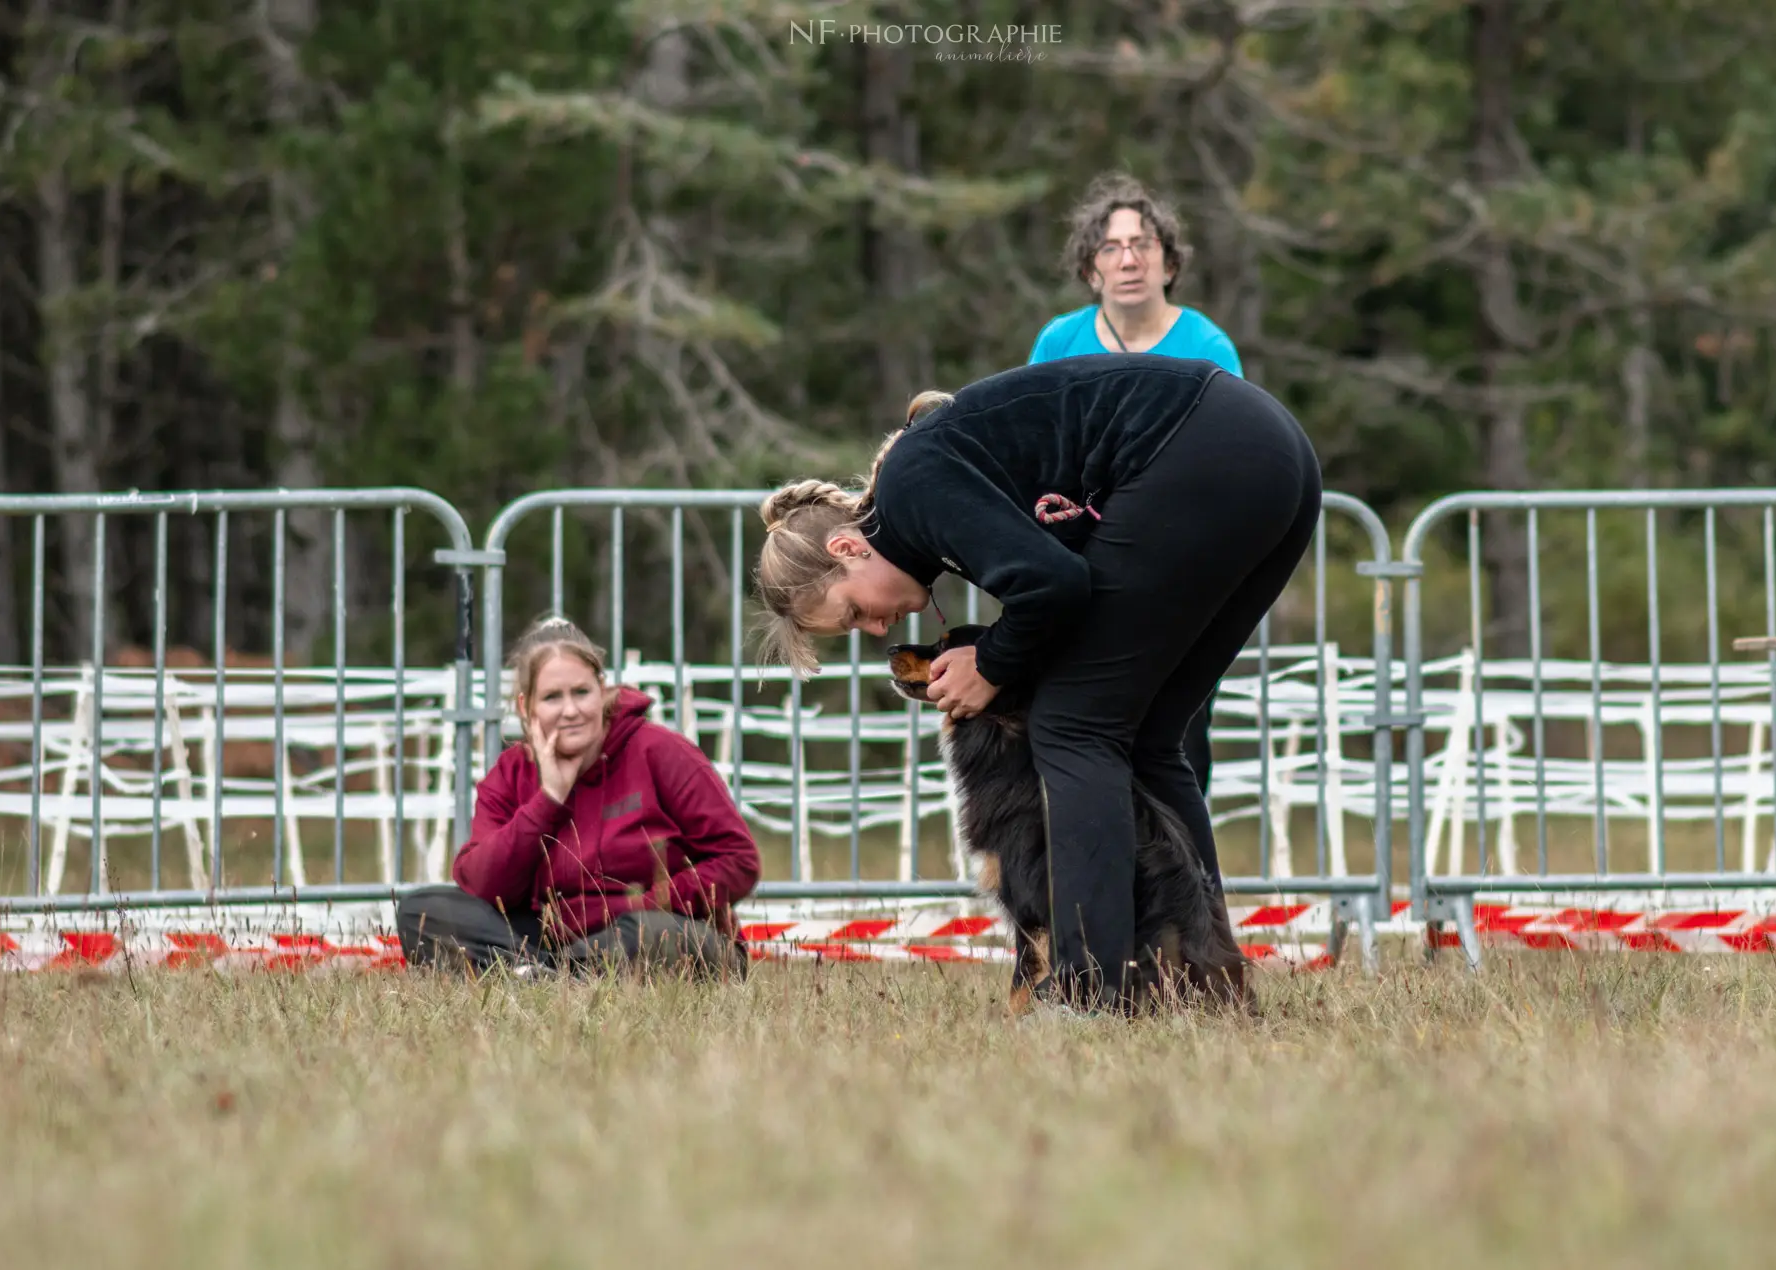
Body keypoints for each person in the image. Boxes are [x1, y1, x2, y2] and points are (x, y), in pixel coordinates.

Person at [753, 354, 1322, 1012]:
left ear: (847, 550)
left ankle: (1086, 991)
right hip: (1268, 450)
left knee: (1072, 726)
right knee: (1151, 736)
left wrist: (991, 662)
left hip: (1204, 450)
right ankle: (1200, 978)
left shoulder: (914, 486)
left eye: (854, 612)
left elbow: (1054, 586)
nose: (877, 629)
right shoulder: (925, 497)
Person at [1027, 172, 1244, 805]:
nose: (1129, 259)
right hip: (1082, 558)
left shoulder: (1206, 344)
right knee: (1081, 717)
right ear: (1090, 269)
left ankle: (1185, 875)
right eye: (1112, 247)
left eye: (1143, 244)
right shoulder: (1058, 341)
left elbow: (1229, 455)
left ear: (1169, 263)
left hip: (1180, 557)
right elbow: (1036, 441)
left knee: (1177, 725)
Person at [395, 616, 761, 981]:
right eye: (553, 697)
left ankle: (539, 976)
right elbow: (483, 885)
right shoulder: (510, 774)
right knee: (421, 912)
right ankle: (556, 976)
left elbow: (739, 859)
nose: (571, 711)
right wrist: (548, 800)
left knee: (655, 935)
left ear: (601, 690)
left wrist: (649, 904)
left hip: (651, 933)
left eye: (581, 692)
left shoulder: (661, 750)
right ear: (526, 708)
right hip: (554, 939)